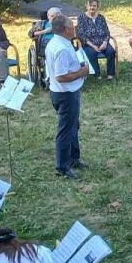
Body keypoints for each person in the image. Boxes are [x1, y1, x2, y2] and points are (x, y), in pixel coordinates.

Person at [44, 15, 90, 179]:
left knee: (73, 126)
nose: (74, 28)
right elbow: (61, 76)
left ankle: (74, 158)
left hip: (66, 91)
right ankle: (62, 167)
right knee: (66, 130)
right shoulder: (61, 49)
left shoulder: (60, 42)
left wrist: (78, 65)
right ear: (65, 29)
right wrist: (82, 72)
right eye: (72, 26)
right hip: (65, 93)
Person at [77, 0, 117, 80]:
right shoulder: (81, 17)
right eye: (90, 5)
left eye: (94, 6)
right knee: (91, 53)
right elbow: (81, 35)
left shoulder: (101, 17)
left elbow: (107, 32)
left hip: (102, 42)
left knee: (111, 51)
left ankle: (110, 74)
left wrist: (105, 43)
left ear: (97, 7)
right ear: (86, 6)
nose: (92, 7)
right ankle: (97, 74)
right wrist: (93, 46)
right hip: (89, 44)